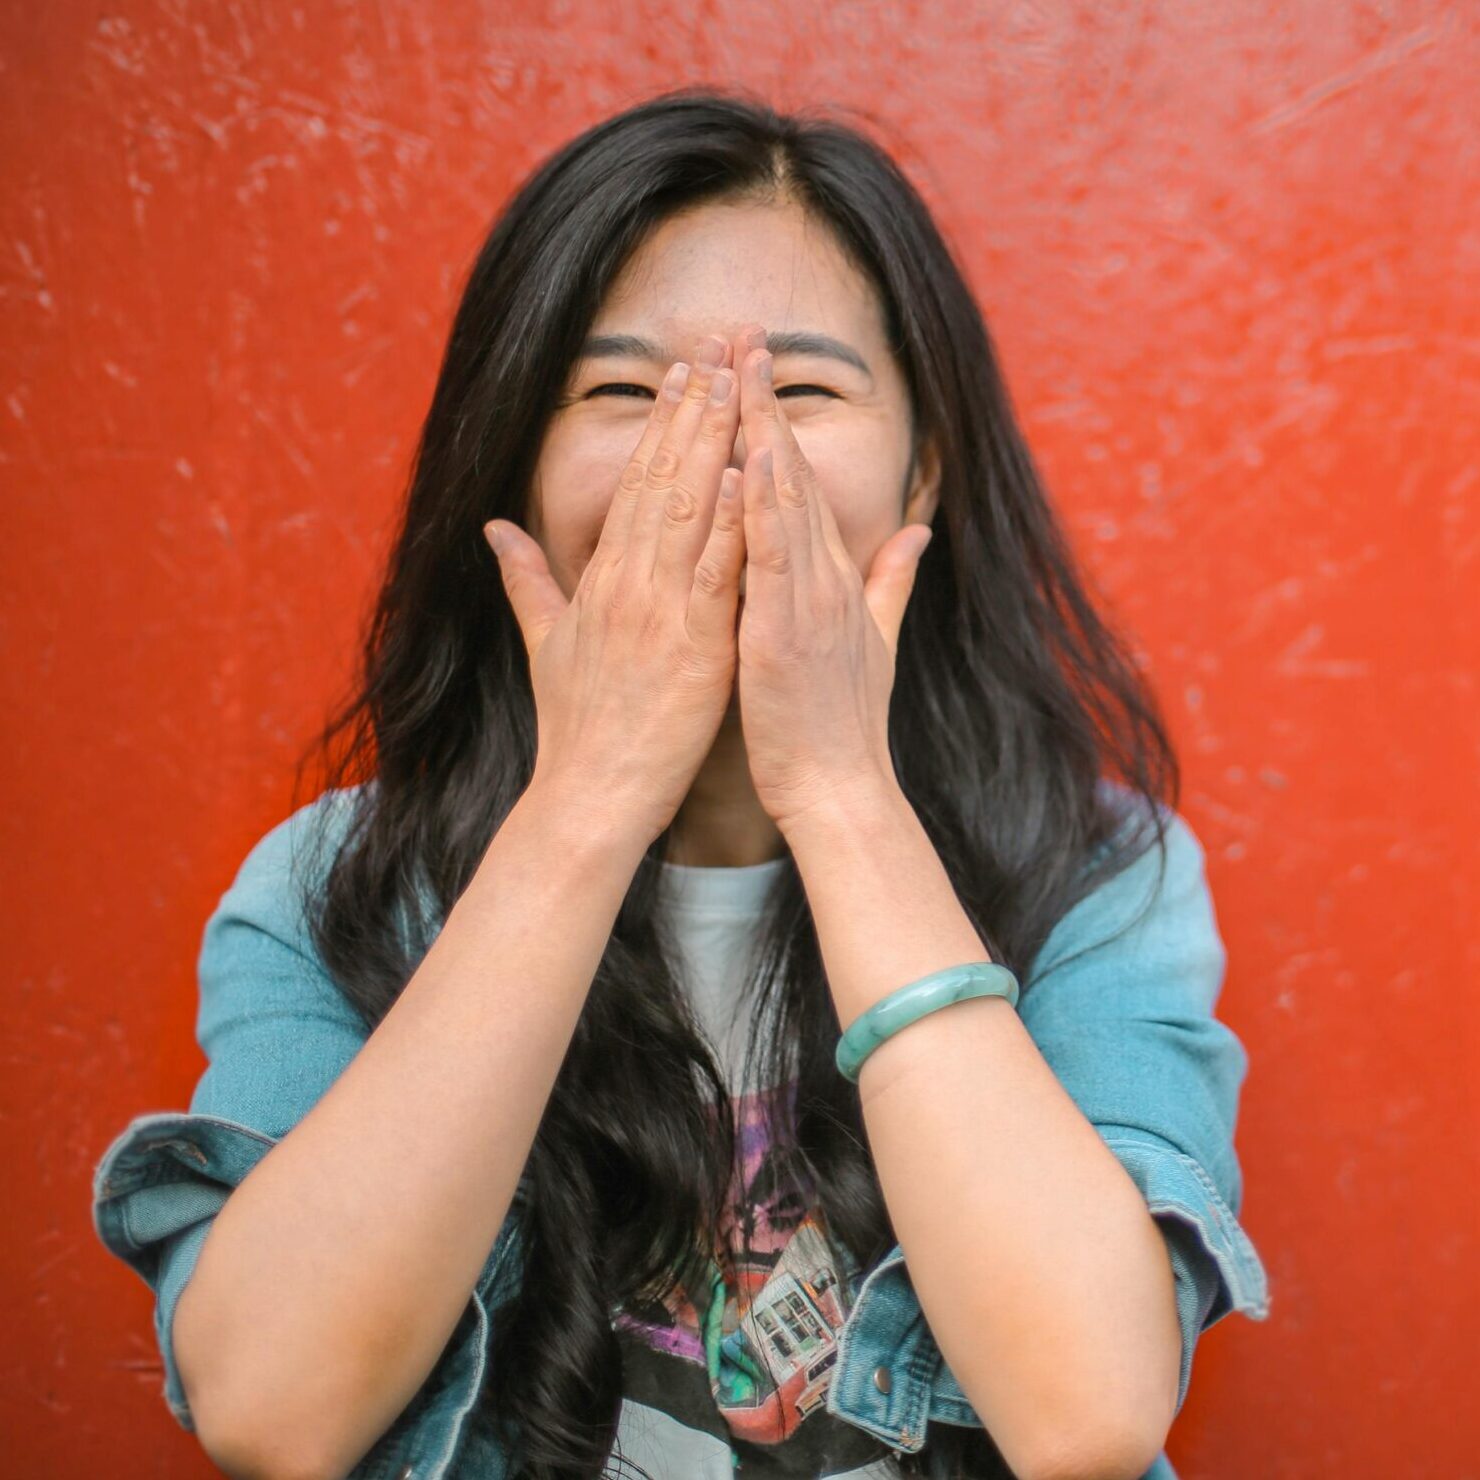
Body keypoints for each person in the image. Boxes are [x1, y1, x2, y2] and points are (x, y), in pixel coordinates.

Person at [91, 87, 1270, 1480]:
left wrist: (838, 788)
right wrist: (590, 801)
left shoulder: (1097, 881)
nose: (716, 450)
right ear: (516, 470)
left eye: (807, 390)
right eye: (624, 393)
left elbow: (1089, 1415)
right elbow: (274, 1410)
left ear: (924, 474)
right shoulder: (333, 889)